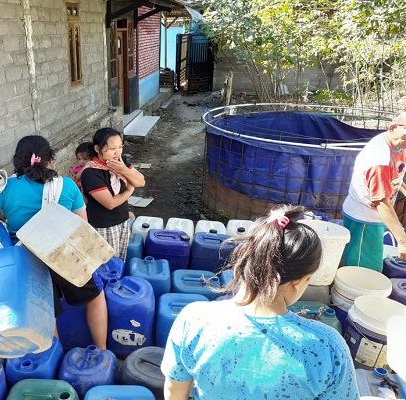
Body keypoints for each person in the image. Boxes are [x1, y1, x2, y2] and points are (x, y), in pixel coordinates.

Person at [161, 205, 359, 400]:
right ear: (299, 281)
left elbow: (174, 392)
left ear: (248, 259)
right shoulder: (328, 346)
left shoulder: (194, 318)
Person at [0, 135, 108, 349]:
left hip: (27, 260)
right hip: (65, 256)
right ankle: (101, 350)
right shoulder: (66, 185)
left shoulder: (5, 188)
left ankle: (53, 360)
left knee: (46, 310)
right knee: (95, 296)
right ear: (50, 160)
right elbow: (82, 227)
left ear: (17, 161)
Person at [342, 112, 406, 271]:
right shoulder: (379, 159)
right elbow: (381, 202)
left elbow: (394, 180)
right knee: (364, 270)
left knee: (363, 260)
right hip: (365, 220)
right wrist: (402, 241)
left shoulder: (398, 144)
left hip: (376, 217)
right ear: (392, 128)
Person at [81, 128, 145, 261]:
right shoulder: (91, 173)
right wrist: (129, 191)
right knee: (108, 264)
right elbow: (110, 203)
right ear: (98, 149)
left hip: (122, 221)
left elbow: (140, 182)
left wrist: (124, 171)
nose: (117, 152)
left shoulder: (120, 162)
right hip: (104, 226)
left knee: (120, 260)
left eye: (120, 147)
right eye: (112, 148)